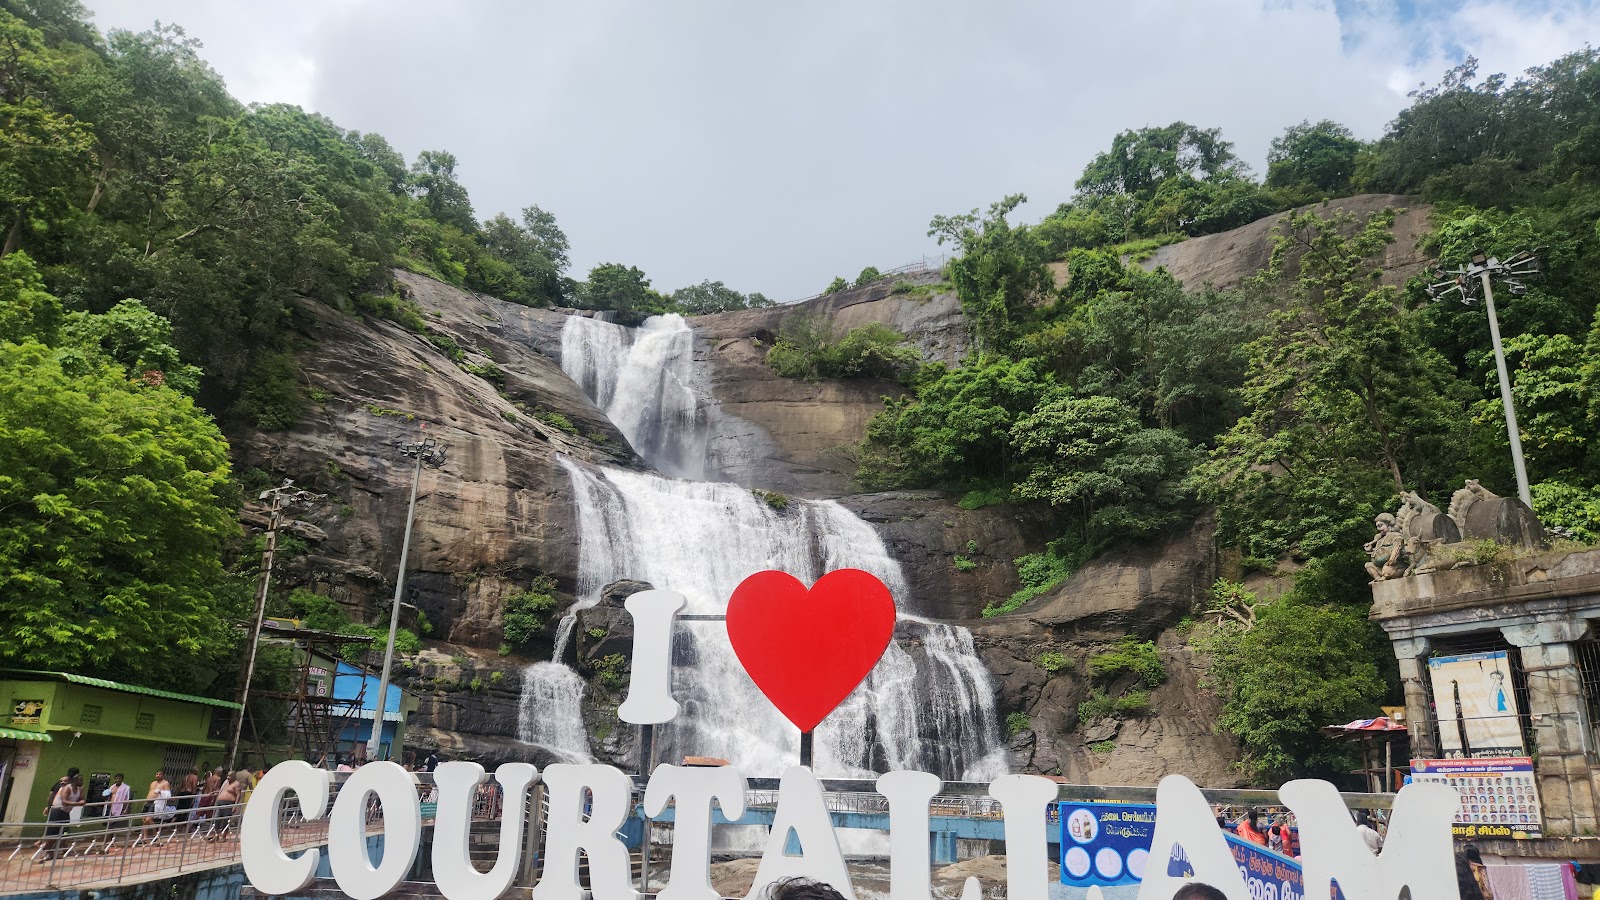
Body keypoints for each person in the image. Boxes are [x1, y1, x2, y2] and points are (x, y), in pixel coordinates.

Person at [38, 774, 84, 860]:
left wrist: (81, 800)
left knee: (63, 833)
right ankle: (47, 851)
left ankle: (51, 849)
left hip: (65, 813)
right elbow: (64, 802)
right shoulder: (66, 788)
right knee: (53, 834)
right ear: (74, 781)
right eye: (80, 780)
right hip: (57, 811)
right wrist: (78, 803)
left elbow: (82, 799)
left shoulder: (79, 789)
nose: (82, 782)